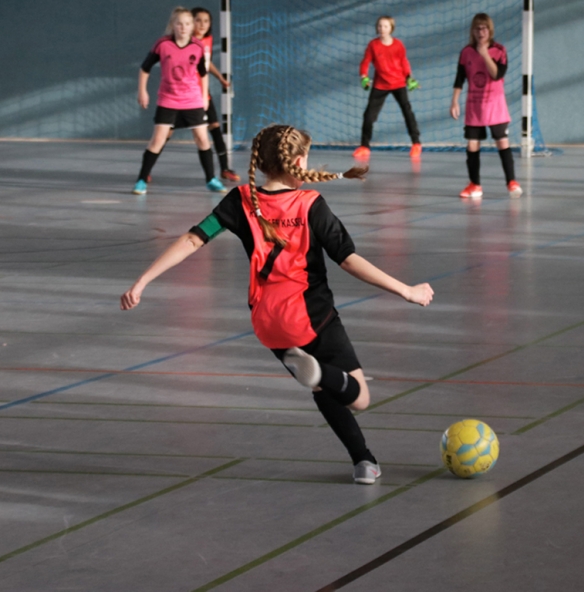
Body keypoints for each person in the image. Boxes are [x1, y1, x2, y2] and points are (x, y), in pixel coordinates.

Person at [121, 124, 434, 484]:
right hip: (311, 315)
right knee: (358, 397)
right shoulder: (309, 204)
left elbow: (193, 239)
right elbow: (348, 260)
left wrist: (143, 280)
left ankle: (364, 461)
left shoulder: (240, 200)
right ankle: (326, 385)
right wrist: (406, 290)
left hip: (267, 322)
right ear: (298, 162)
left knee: (322, 387)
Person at [134, 7, 225, 195]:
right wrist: (142, 91)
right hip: (168, 99)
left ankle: (211, 179)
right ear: (173, 25)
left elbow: (203, 73)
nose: (183, 27)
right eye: (179, 24)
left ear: (192, 27)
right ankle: (141, 179)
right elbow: (145, 69)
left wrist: (203, 97)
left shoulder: (197, 46)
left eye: (187, 24)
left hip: (192, 100)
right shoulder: (163, 44)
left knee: (202, 139)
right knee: (157, 140)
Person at [450, 13, 523, 199]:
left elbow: (497, 75)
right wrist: (454, 101)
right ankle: (475, 185)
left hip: (495, 106)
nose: (481, 32)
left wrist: (484, 54)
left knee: (502, 142)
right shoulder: (466, 52)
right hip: (474, 106)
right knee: (472, 144)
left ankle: (511, 182)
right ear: (472, 31)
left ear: (490, 31)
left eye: (484, 28)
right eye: (477, 28)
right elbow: (459, 79)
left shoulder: (499, 51)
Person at [356, 16, 422, 161]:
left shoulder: (398, 45)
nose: (382, 29)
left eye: (385, 26)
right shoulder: (373, 45)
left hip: (398, 83)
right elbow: (365, 62)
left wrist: (409, 77)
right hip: (380, 84)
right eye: (380, 26)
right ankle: (364, 146)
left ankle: (416, 143)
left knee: (407, 112)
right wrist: (364, 77)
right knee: (368, 115)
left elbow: (404, 62)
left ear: (391, 28)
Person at [192, 7, 240, 183]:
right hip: (185, 94)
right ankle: (145, 172)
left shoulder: (208, 40)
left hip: (203, 93)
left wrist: (220, 77)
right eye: (198, 20)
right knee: (164, 133)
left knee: (215, 128)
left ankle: (225, 168)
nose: (202, 24)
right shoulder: (186, 42)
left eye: (206, 21)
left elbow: (206, 63)